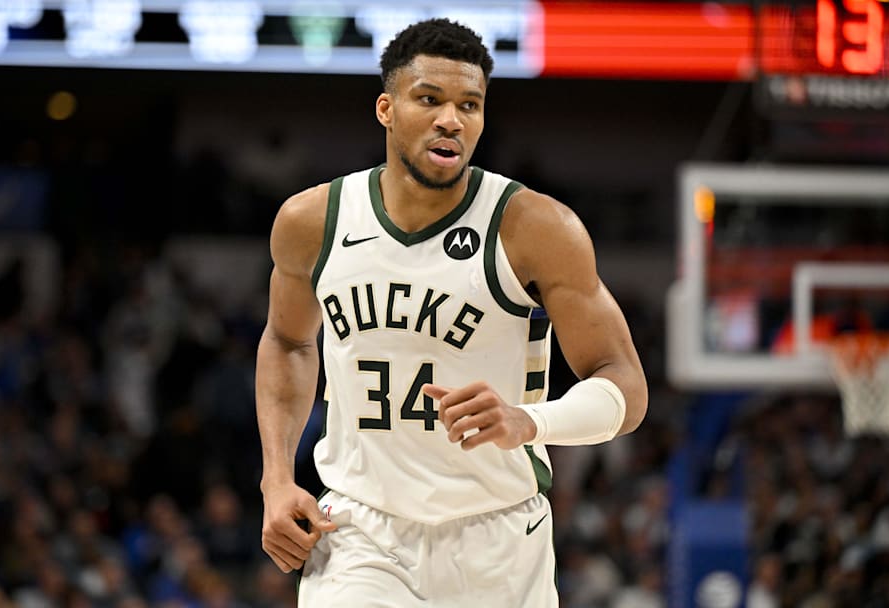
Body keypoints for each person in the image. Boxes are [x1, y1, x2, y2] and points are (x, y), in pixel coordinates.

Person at [256, 18, 648, 607]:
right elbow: (288, 342)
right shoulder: (313, 222)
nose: (451, 119)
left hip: (499, 536)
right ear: (386, 109)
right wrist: (277, 480)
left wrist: (527, 421)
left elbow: (625, 387)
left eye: (471, 104)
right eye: (430, 99)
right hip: (361, 530)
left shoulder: (536, 228)